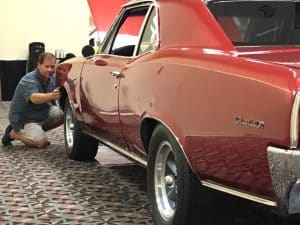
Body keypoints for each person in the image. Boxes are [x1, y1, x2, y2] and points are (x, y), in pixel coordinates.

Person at [1, 52, 64, 148]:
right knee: (41, 143)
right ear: (39, 65)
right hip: (24, 119)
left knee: (63, 114)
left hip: (40, 113)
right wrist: (51, 96)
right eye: (46, 66)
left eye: (52, 67)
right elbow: (33, 98)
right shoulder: (29, 80)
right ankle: (13, 133)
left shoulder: (51, 78)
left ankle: (34, 132)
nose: (50, 70)